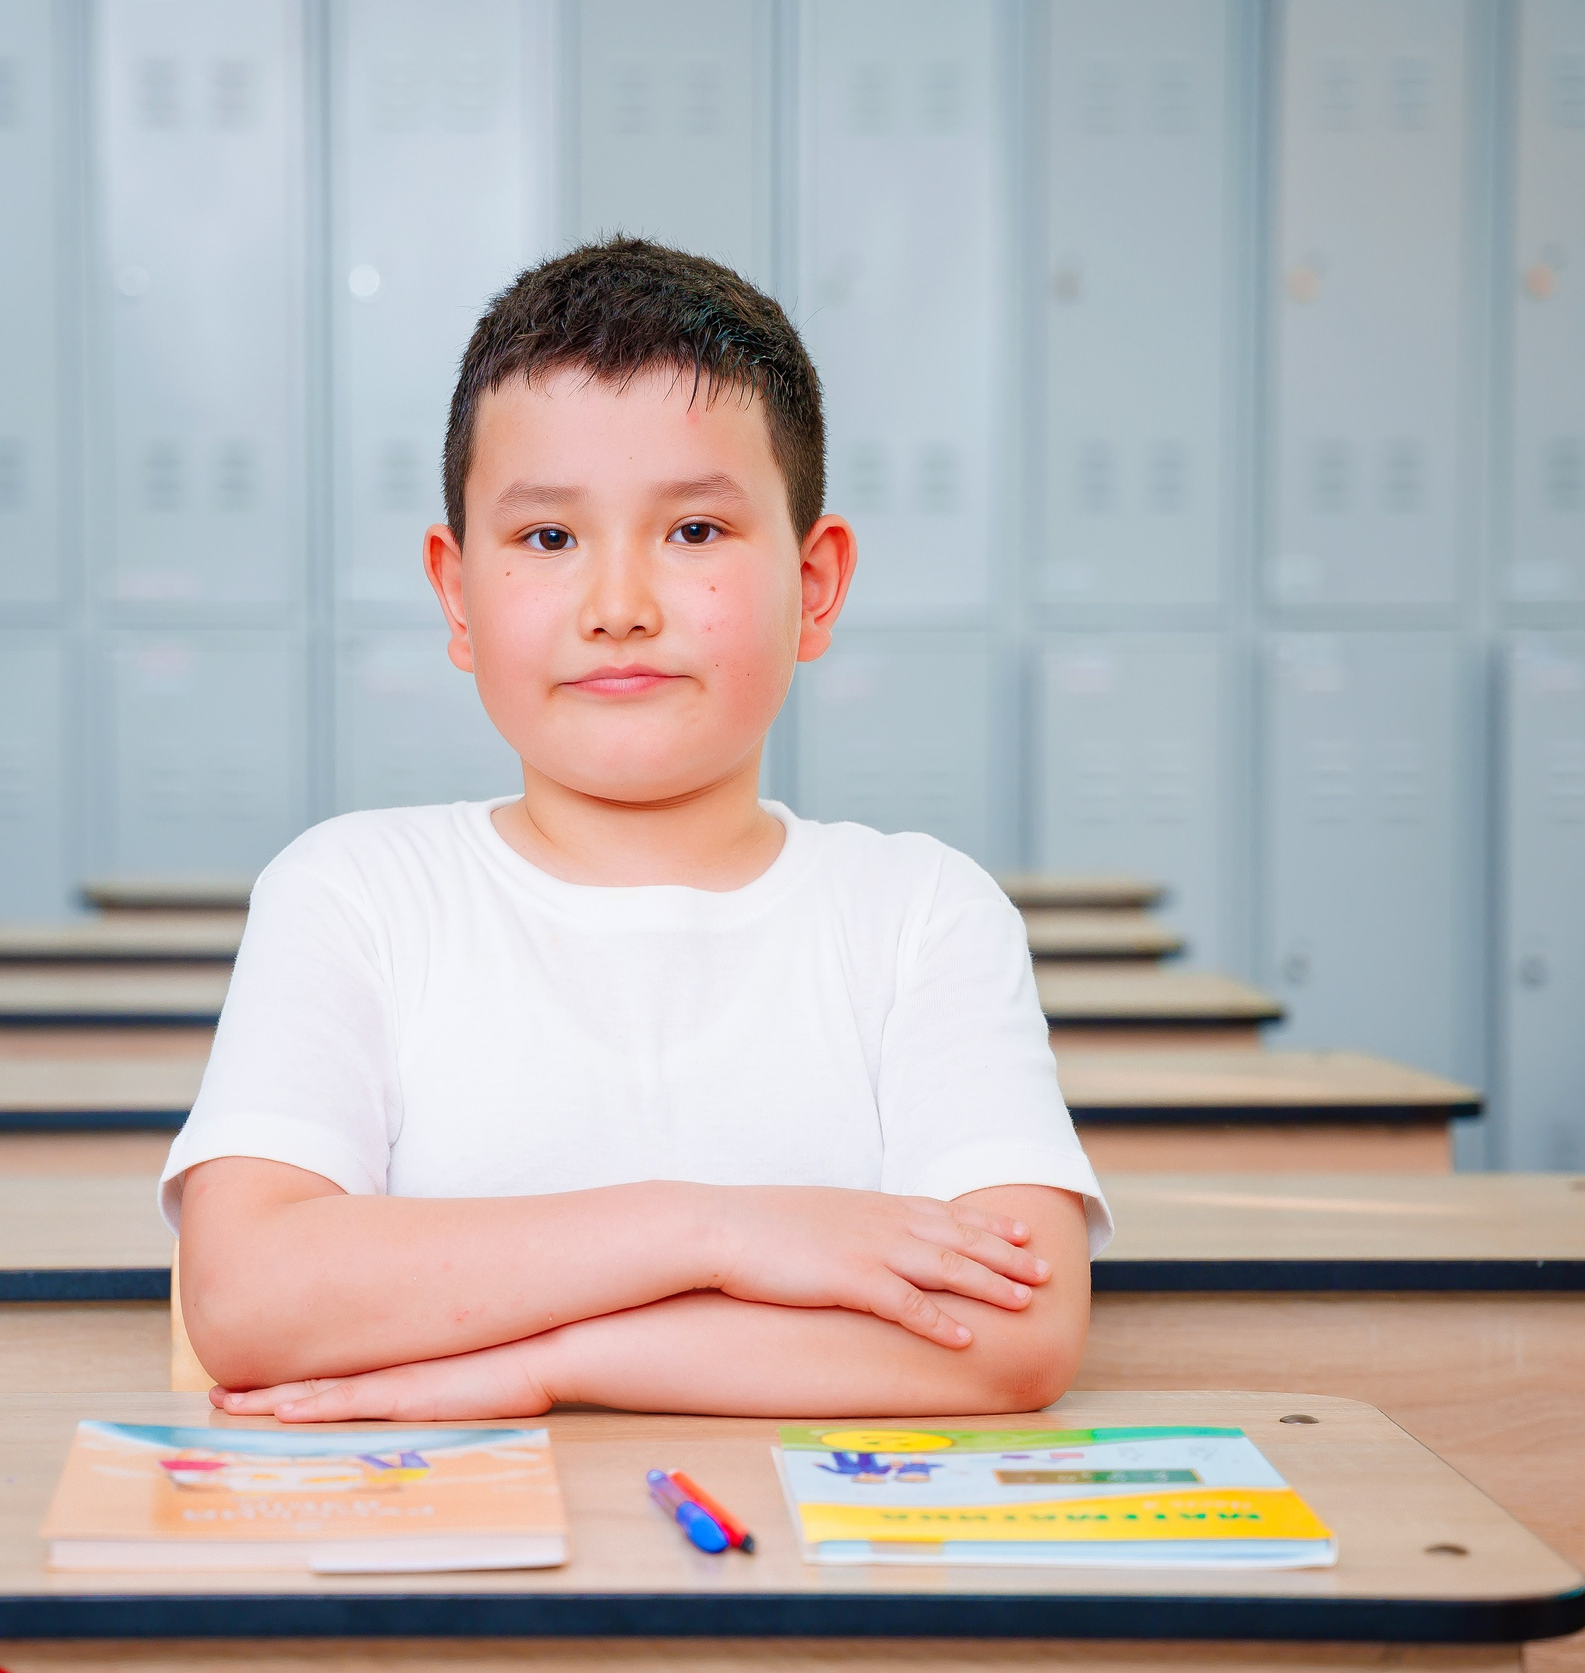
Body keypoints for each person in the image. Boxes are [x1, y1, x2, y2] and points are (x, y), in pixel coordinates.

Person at [164, 237, 1107, 1421]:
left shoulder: (921, 915)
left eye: (696, 533)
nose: (619, 608)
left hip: (808, 1591)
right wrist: (717, 1228)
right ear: (456, 596)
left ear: (813, 586)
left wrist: (541, 1366)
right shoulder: (355, 893)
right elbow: (251, 1302)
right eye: (548, 539)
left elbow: (1014, 1330)